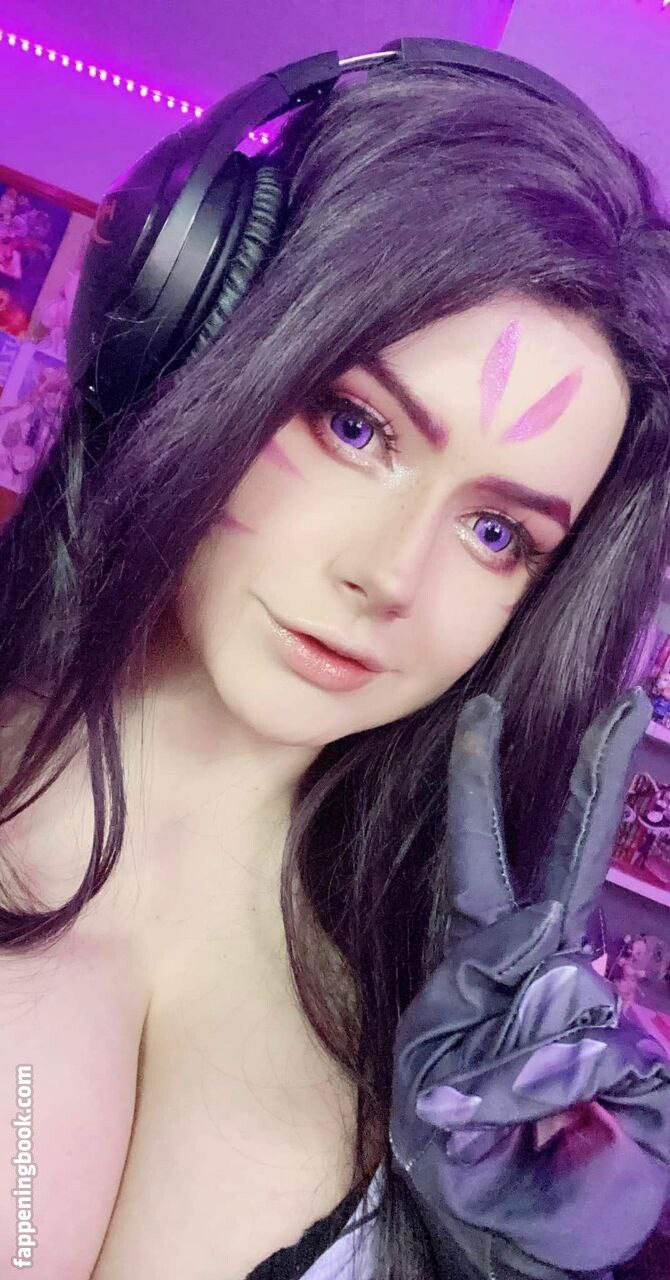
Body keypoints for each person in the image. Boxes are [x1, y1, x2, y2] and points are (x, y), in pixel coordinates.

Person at [0, 35, 669, 1280]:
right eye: (355, 425)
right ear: (192, 332)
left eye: (496, 533)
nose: (390, 577)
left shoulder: (435, 1031)